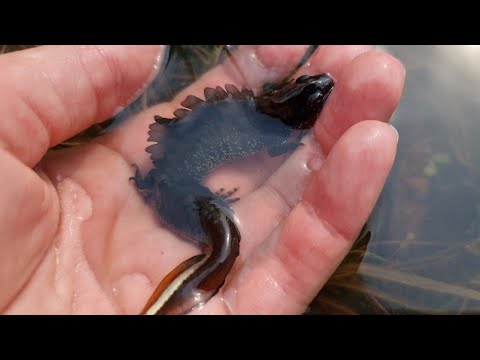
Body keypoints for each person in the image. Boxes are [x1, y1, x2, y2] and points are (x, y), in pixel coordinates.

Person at [0, 45, 404, 314]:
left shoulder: (265, 114)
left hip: (167, 185)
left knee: (223, 236)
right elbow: (279, 147)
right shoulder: (279, 133)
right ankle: (208, 258)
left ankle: (201, 246)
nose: (317, 88)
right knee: (224, 239)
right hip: (176, 191)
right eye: (312, 94)